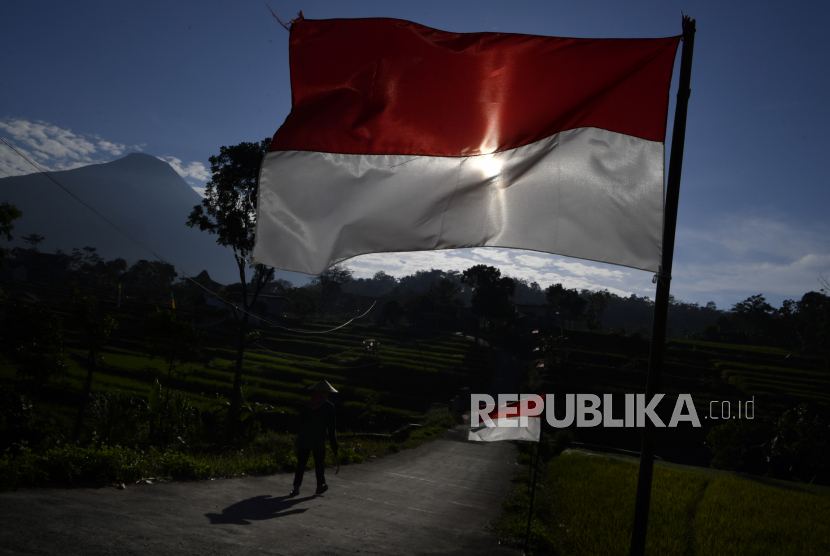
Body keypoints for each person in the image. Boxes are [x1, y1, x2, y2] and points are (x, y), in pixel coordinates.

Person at [290, 380, 339, 496]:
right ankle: (319, 486)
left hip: (304, 438)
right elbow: (332, 427)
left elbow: (301, 422)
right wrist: (334, 444)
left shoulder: (307, 405)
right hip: (319, 439)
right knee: (319, 464)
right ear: (324, 393)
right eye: (326, 392)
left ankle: (296, 488)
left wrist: (299, 438)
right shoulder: (329, 407)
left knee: (301, 464)